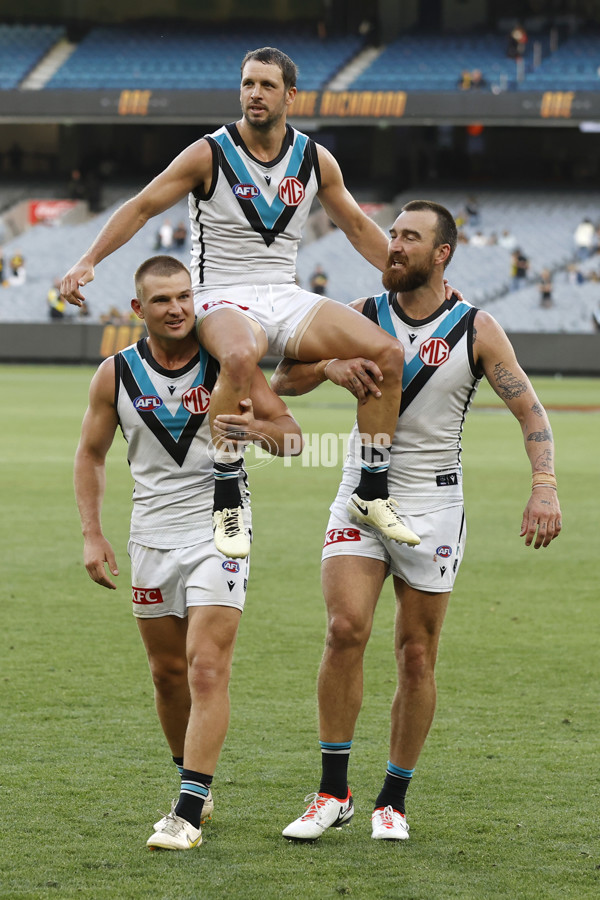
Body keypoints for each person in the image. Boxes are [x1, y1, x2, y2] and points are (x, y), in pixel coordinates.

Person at [60, 46, 423, 561]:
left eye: (267, 85)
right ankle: (226, 492)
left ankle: (371, 489)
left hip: (285, 293)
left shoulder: (315, 159)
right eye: (248, 83)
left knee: (388, 354)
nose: (254, 93)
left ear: (290, 96)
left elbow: (359, 226)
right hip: (220, 294)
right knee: (236, 356)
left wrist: (412, 282)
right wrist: (88, 258)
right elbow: (142, 205)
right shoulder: (209, 152)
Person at [271, 200, 562, 843]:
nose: (393, 246)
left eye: (410, 238)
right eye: (392, 234)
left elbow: (531, 413)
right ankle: (332, 791)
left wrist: (544, 487)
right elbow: (285, 376)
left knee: (416, 653)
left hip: (434, 505)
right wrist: (330, 367)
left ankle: (393, 799)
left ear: (442, 253)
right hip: (360, 490)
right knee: (346, 628)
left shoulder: (476, 328)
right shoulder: (361, 314)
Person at [74, 255, 302, 851]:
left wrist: (254, 432)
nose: (176, 309)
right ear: (137, 310)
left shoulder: (228, 363)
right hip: (149, 534)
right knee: (167, 673)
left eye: (184, 297)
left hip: (219, 527)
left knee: (205, 666)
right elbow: (91, 455)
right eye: (162, 301)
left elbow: (294, 437)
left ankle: (187, 809)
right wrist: (91, 533)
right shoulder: (115, 374)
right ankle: (191, 777)